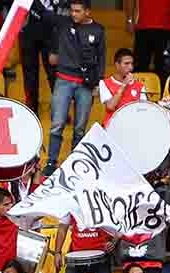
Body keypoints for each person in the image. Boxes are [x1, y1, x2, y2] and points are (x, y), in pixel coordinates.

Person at [36, 0, 106, 175]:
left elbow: (101, 58)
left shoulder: (98, 30)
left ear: (87, 12)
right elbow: (46, 21)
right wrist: (53, 50)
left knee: (80, 127)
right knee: (57, 124)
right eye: (72, 10)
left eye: (77, 11)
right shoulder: (63, 23)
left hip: (86, 83)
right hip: (63, 80)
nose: (73, 14)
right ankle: (51, 162)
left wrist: (98, 82)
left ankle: (74, 164)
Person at [129, 0, 170, 76]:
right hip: (144, 26)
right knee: (140, 65)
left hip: (167, 27)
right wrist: (129, 20)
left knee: (164, 67)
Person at [99, 48, 147, 125]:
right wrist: (124, 85)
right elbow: (110, 107)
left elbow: (143, 110)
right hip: (111, 126)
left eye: (132, 64)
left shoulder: (140, 86)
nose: (130, 67)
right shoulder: (104, 83)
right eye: (126, 63)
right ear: (117, 65)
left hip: (132, 126)